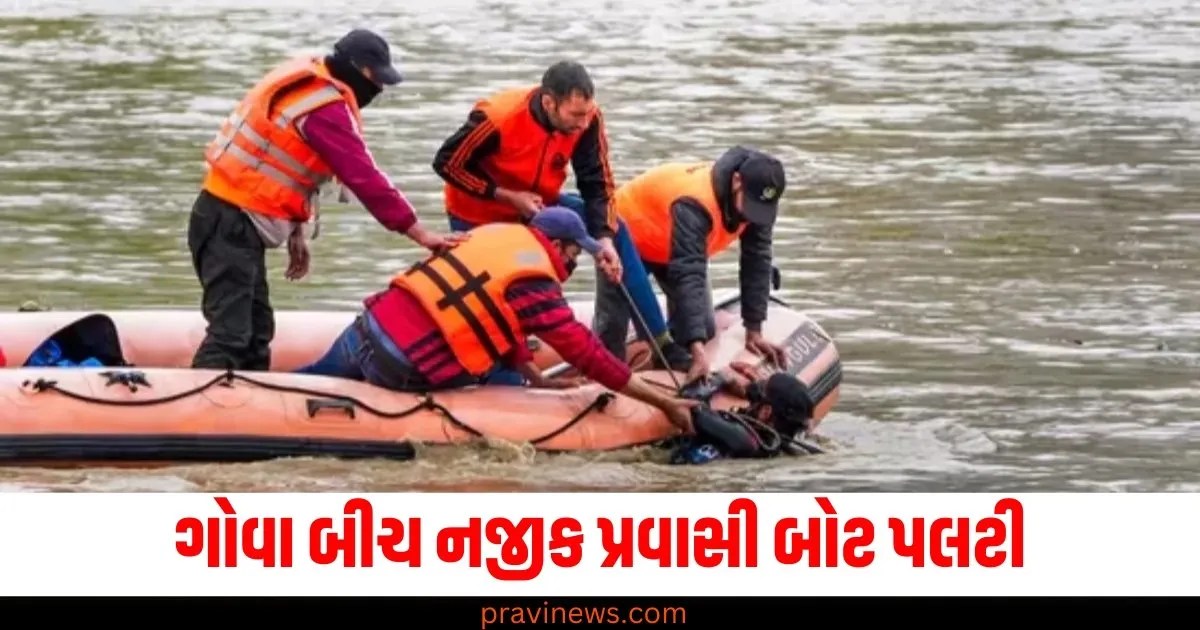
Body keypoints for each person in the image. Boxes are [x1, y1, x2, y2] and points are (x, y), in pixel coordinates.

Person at [188, 28, 460, 372]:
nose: (376, 91)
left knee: (257, 334)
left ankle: (247, 410)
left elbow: (288, 164)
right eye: (375, 81)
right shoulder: (323, 108)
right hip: (228, 221)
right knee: (231, 335)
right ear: (357, 70)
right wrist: (419, 232)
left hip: (236, 218)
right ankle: (194, 416)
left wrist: (297, 229)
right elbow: (364, 177)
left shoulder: (313, 78)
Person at [295, 207, 700, 431]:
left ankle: (238, 391)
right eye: (575, 255)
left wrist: (539, 378)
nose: (573, 264)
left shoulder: (490, 236)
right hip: (401, 365)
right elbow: (587, 352)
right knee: (506, 383)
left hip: (365, 329)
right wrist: (662, 401)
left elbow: (489, 313)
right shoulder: (534, 279)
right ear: (557, 246)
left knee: (299, 381)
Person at [430, 60, 692, 371]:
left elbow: (597, 183)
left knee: (616, 229)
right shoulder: (498, 118)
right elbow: (447, 163)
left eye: (587, 113)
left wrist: (604, 239)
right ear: (549, 103)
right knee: (495, 288)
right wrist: (507, 197)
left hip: (539, 205)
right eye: (575, 115)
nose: (583, 123)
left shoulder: (588, 120)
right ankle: (498, 355)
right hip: (478, 211)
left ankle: (661, 343)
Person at [594, 145, 793, 384]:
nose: (753, 216)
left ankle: (666, 366)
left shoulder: (759, 202)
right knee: (612, 327)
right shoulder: (696, 202)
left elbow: (757, 260)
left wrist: (754, 330)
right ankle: (604, 381)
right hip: (626, 235)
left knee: (705, 328)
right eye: (751, 206)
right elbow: (689, 272)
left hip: (670, 244)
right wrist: (697, 350)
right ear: (737, 181)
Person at [668, 363, 818, 465]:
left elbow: (693, 405)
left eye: (761, 390)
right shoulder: (769, 444)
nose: (754, 395)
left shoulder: (742, 438)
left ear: (766, 412)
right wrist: (744, 387)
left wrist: (718, 380)